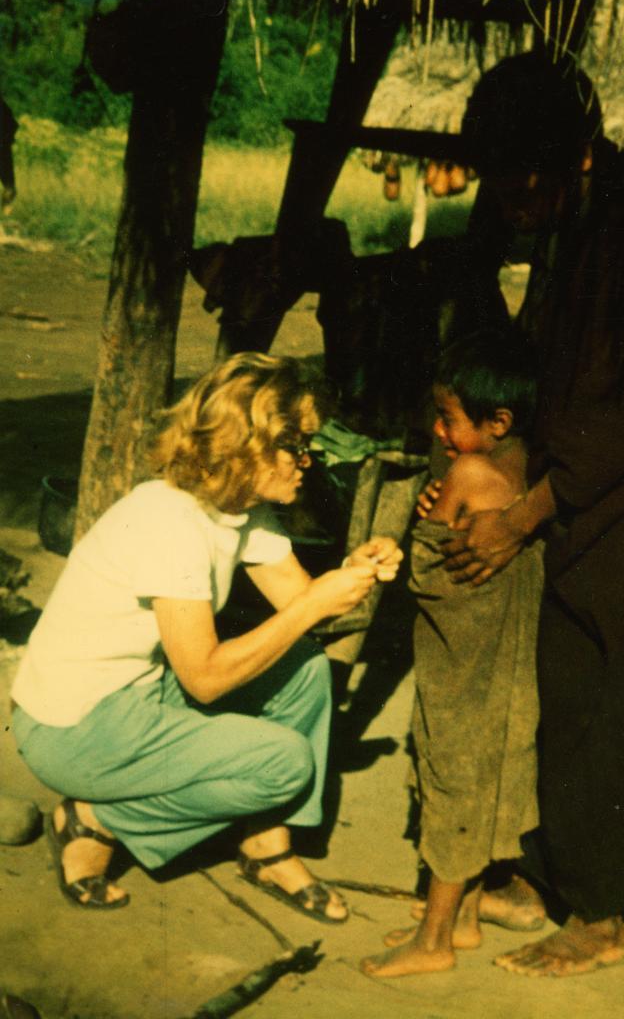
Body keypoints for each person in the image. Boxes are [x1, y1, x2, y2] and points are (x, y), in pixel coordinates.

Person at [433, 53, 624, 976]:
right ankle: (555, 872)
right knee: (572, 685)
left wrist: (523, 512)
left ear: (562, 157)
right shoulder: (583, 217)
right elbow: (555, 364)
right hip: (595, 492)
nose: (509, 197)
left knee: (616, 693)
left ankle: (600, 916)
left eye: (519, 178)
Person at [11, 352, 402, 919]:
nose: (308, 463)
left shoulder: (238, 511)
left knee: (306, 671)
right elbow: (206, 678)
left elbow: (305, 606)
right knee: (283, 762)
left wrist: (354, 573)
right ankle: (96, 819)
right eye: (297, 448)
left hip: (134, 695)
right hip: (72, 727)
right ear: (249, 446)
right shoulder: (171, 523)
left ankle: (267, 845)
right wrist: (312, 605)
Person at [361, 334, 543, 977]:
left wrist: (425, 524)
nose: (438, 432)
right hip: (503, 672)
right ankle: (463, 918)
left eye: (450, 420)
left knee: (453, 779)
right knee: (483, 774)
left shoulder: (467, 473)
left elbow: (427, 574)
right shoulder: (528, 474)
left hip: (462, 669)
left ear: (498, 423)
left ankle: (434, 940)